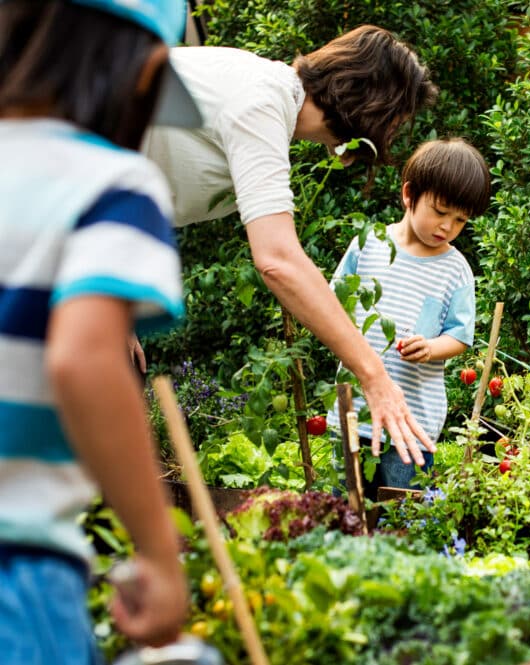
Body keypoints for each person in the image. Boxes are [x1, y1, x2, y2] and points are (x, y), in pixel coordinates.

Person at [143, 25, 439, 465]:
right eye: (395, 120)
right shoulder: (261, 101)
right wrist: (374, 375)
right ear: (371, 103)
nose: (390, 136)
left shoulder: (261, 90)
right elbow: (278, 260)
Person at [0, 0, 197, 657]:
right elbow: (83, 361)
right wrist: (159, 553)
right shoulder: (112, 187)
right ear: (146, 74)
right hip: (18, 573)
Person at [326, 138, 489, 495]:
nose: (447, 227)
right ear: (409, 194)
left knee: (404, 515)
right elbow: (331, 305)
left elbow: (460, 336)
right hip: (355, 411)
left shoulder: (455, 270)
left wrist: (430, 348)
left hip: (412, 424)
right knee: (345, 512)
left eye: (460, 220)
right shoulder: (369, 244)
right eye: (440, 211)